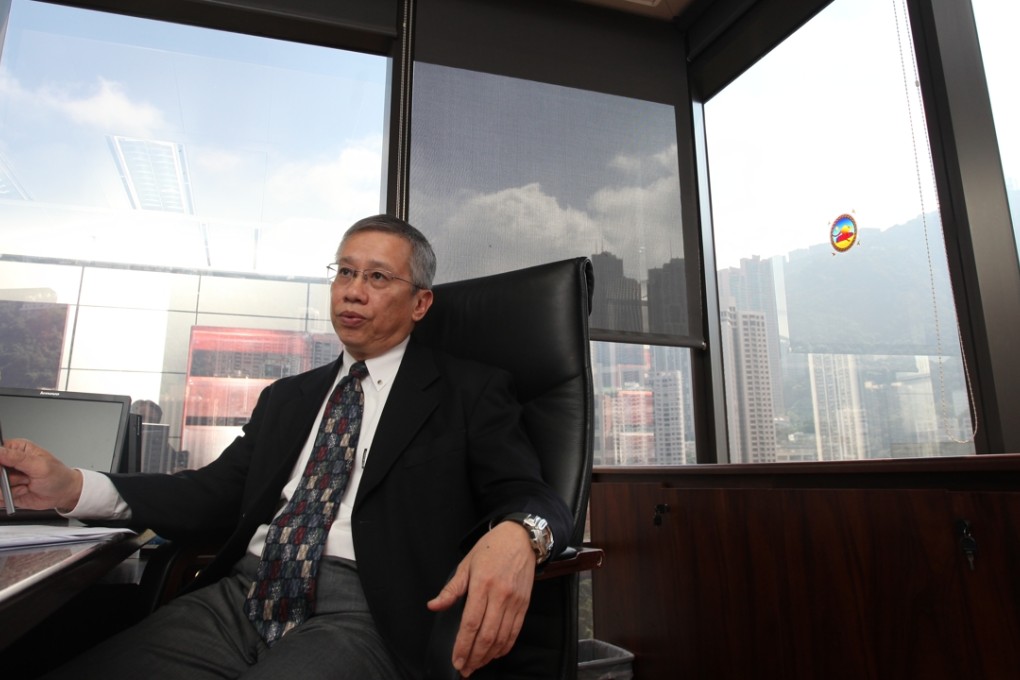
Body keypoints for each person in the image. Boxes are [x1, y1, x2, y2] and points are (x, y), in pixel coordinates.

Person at [0, 215, 572, 680]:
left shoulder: (469, 391)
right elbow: (212, 491)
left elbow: (528, 492)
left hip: (368, 613)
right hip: (244, 595)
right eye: (344, 272)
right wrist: (74, 486)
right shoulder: (289, 398)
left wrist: (522, 534)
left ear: (420, 304)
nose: (352, 290)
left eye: (377, 278)